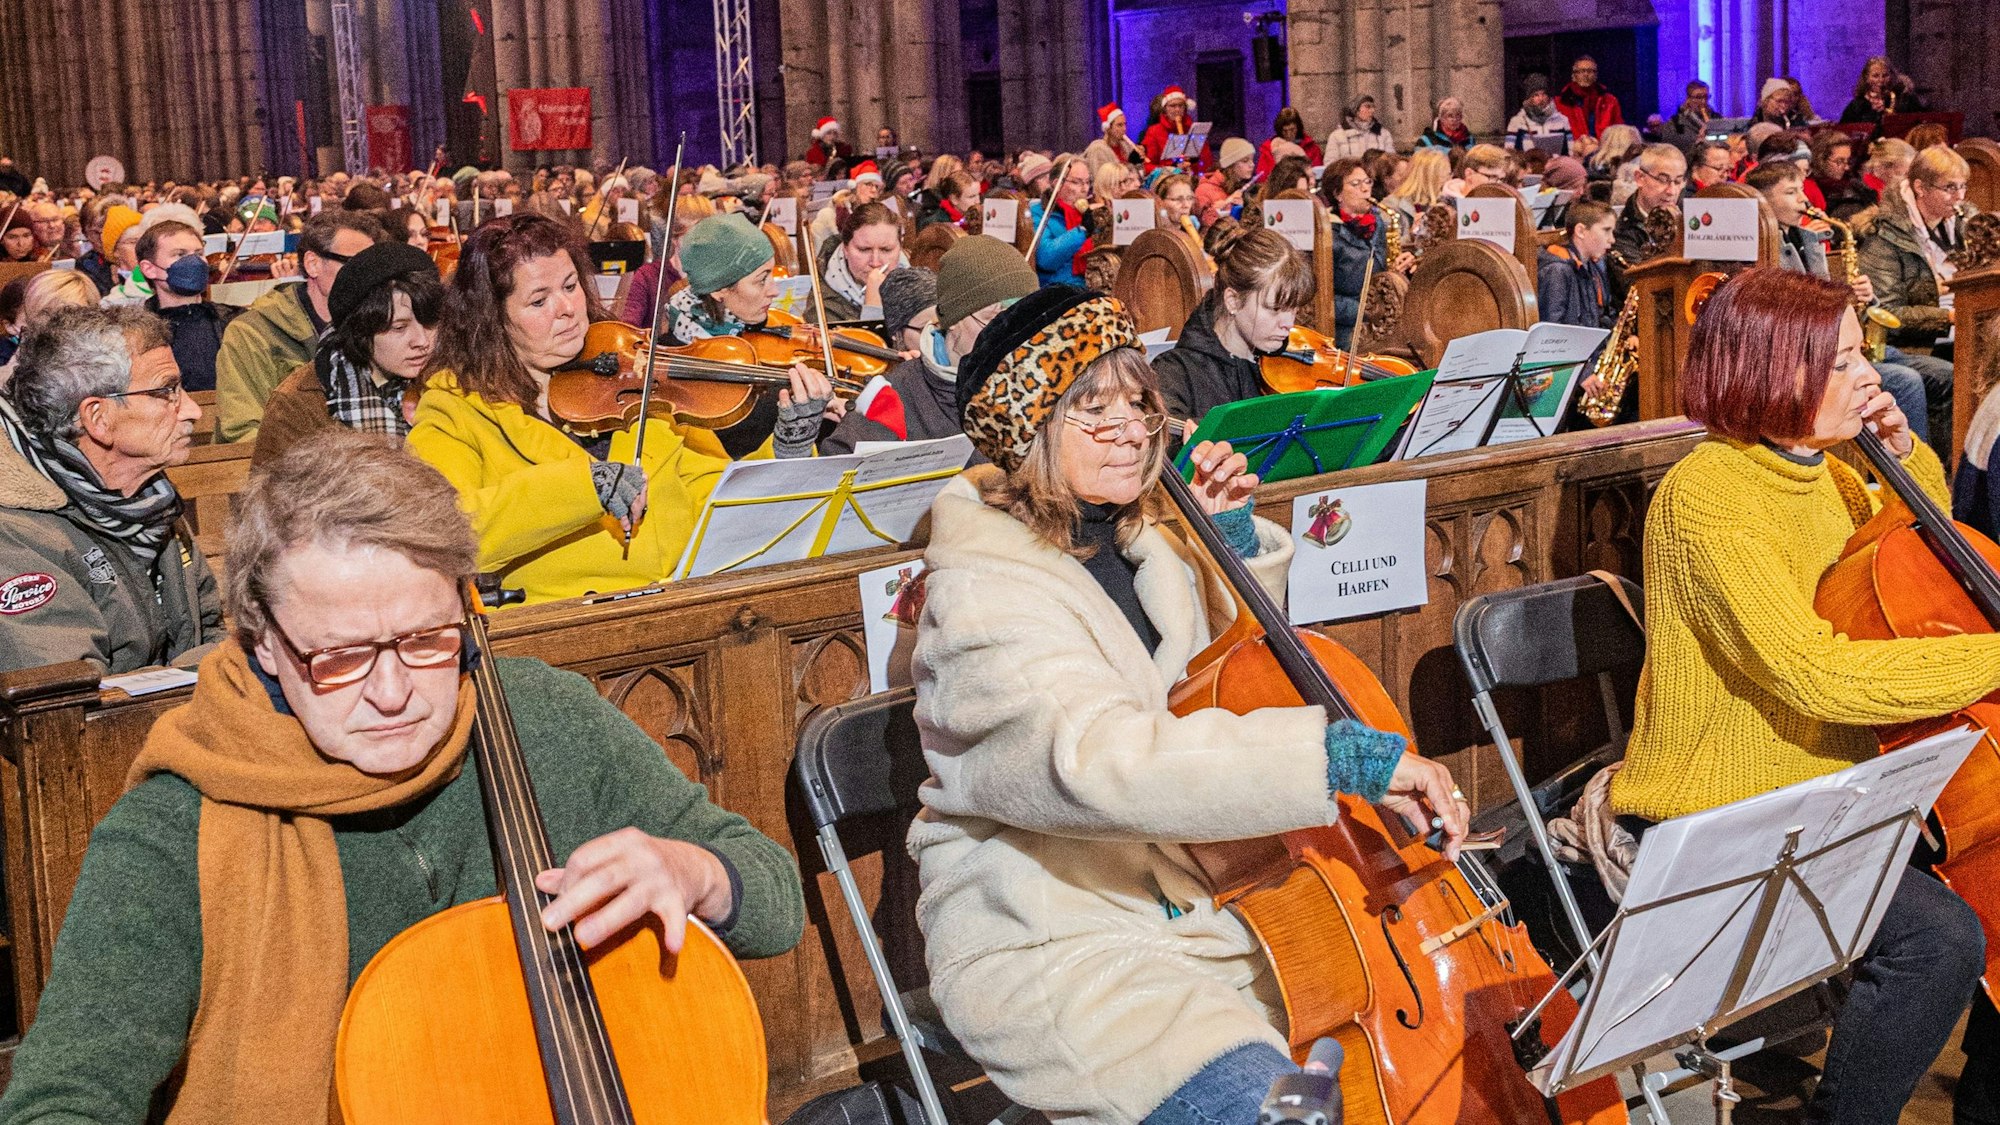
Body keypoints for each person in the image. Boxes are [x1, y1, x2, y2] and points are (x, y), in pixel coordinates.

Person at [0, 429, 806, 1122]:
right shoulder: (173, 832)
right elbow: (62, 1099)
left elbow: (776, 901)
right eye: (341, 655)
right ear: (265, 641)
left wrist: (694, 870)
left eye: (426, 639)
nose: (392, 693)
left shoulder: (544, 716)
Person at [910, 284, 1468, 1124]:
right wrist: (1334, 757)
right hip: (1065, 938)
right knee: (1281, 1116)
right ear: (1026, 431)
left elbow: (1224, 680)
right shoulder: (978, 600)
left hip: (1209, 911)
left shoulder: (1136, 539)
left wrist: (1230, 550)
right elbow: (1100, 762)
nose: (1134, 430)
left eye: (1139, 401)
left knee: (1377, 1088)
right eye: (1093, 411)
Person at [1608, 266, 1994, 1125]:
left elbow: (1913, 552)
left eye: (1864, 354)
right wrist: (1994, 662)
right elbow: (1814, 672)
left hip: (1834, 789)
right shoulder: (1706, 496)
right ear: (1772, 369)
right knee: (1940, 940)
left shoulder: (1825, 466)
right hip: (1726, 808)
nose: (1873, 378)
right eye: (1845, 361)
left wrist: (1903, 456)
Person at [408, 214, 835, 606]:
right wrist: (583, 486)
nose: (568, 310)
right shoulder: (455, 408)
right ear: (493, 319)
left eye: (571, 286)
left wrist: (786, 450)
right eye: (539, 301)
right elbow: (446, 528)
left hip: (685, 603)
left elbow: (712, 493)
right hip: (571, 626)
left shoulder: (632, 378)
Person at [0, 305, 219, 674]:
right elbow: (62, 697)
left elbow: (213, 628)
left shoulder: (148, 498)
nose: (193, 411)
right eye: (167, 391)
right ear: (98, 419)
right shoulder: (16, 531)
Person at [1747, 159, 1944, 446]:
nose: (1803, 199)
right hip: (1817, 356)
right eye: (1791, 192)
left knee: (1938, 372)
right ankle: (1902, 467)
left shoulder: (1808, 238)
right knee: (1906, 380)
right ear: (1762, 201)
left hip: (1849, 343)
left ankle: (1937, 462)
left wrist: (1861, 296)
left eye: (1801, 189)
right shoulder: (1762, 248)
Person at [822, 236, 1038, 455]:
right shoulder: (895, 395)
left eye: (1024, 321)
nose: (1013, 335)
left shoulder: (1040, 384)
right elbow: (838, 475)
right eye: (994, 320)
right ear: (954, 319)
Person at [253, 243, 441, 468]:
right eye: (399, 328)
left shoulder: (454, 380)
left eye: (430, 324)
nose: (422, 341)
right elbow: (272, 496)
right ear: (361, 331)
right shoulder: (299, 404)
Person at [215, 209, 387, 443]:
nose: (370, 276)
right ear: (313, 264)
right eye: (356, 264)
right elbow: (242, 431)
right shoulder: (252, 333)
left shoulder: (377, 326)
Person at [1151, 225, 1312, 427]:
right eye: (1274, 309)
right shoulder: (1175, 372)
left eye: (1294, 309)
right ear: (1233, 301)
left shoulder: (1285, 363)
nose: (1289, 324)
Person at [1860, 145, 1978, 365]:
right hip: (1920, 348)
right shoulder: (1884, 235)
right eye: (1950, 187)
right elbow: (1885, 312)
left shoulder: (1966, 223)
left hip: (1969, 334)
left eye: (1963, 186)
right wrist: (1949, 317)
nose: (1960, 196)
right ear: (1920, 188)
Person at [1323, 157, 1413, 350]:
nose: (1365, 189)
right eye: (1356, 184)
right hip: (1346, 325)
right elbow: (1322, 297)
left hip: (1378, 316)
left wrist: (1397, 267)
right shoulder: (1328, 232)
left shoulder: (1377, 222)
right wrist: (1366, 310)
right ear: (1338, 194)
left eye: (1368, 182)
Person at [135, 220, 234, 394]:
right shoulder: (137, 332)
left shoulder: (233, 319)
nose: (194, 262)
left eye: (199, 253)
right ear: (149, 269)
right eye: (180, 255)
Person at [1608, 144, 1688, 298]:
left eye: (1678, 182)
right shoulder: (1620, 231)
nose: (1671, 191)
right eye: (1662, 180)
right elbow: (1638, 288)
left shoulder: (1690, 217)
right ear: (1640, 178)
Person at [818, 201, 907, 321]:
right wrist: (873, 308)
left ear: (900, 248)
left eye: (886, 250)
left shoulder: (915, 284)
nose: (875, 263)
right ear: (845, 249)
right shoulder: (822, 308)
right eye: (864, 250)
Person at [1537, 198, 1616, 332]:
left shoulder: (1591, 266)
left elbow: (1598, 316)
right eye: (1606, 231)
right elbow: (1551, 330)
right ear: (1580, 231)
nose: (1612, 240)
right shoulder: (1557, 270)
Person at [1028, 159, 1095, 287]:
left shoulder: (1086, 213)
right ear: (1057, 184)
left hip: (1089, 283)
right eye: (1077, 182)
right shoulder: (1039, 213)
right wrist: (1081, 231)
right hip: (1056, 288)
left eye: (1087, 182)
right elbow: (1046, 258)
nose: (1085, 189)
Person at [1140, 86, 1212, 170]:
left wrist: (1193, 162)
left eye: (1180, 105)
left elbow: (1207, 162)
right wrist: (1173, 168)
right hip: (1168, 179)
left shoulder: (1194, 130)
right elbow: (1147, 166)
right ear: (1165, 109)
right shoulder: (1154, 131)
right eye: (1173, 106)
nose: (1177, 109)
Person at [1191, 137, 1257, 229]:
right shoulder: (1204, 189)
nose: (1252, 164)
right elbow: (1202, 227)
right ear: (1230, 165)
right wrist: (1225, 205)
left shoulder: (1245, 188)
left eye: (1252, 160)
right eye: (1245, 161)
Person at [1842, 56, 1924, 127]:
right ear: (1866, 78)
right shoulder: (1856, 106)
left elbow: (1921, 123)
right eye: (1875, 76)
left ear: (1892, 76)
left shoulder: (1905, 99)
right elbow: (1846, 130)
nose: (1881, 80)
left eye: (1885, 75)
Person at [1556, 55, 1623, 142]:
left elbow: (1619, 129)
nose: (1586, 74)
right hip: (1575, 149)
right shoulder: (1561, 102)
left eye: (1590, 71)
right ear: (1574, 75)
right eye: (1581, 71)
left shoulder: (1610, 101)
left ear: (1596, 75)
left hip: (1604, 148)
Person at [1507, 74, 1573, 154]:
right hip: (1529, 165)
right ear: (1529, 98)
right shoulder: (1517, 121)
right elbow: (1509, 151)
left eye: (1544, 94)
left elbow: (1571, 149)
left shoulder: (1562, 120)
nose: (1541, 99)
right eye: (1536, 95)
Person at [1323, 94, 1396, 162]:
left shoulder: (1383, 134)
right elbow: (1330, 164)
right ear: (1356, 109)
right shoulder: (1337, 136)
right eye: (1367, 107)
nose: (1372, 110)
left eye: (1373, 107)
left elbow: (1391, 161)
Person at [1256, 107, 1324, 176]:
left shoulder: (1312, 148)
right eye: (1285, 131)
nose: (1289, 135)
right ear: (1279, 130)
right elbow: (1262, 178)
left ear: (1298, 128)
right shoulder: (1268, 149)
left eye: (1292, 129)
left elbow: (1317, 175)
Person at [1085, 103, 1145, 174]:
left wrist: (1138, 162)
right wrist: (1130, 165)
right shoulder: (1098, 150)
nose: (1124, 129)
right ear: (1108, 128)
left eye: (1125, 124)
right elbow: (1102, 179)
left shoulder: (1126, 147)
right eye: (1119, 125)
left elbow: (1138, 176)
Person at [1658, 80, 1715, 150]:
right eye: (1698, 97)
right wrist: (1698, 143)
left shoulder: (1716, 118)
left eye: (1706, 97)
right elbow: (1670, 152)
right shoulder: (1674, 124)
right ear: (1688, 99)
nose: (1703, 101)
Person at [1153, 172, 1201, 243]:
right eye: (1178, 199)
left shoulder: (1190, 233)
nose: (1186, 205)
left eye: (1189, 198)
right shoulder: (1153, 236)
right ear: (1160, 202)